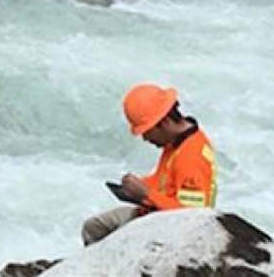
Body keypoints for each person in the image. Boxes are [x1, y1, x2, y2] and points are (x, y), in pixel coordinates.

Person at [81, 83, 218, 246]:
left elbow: (191, 215)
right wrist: (138, 186)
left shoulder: (191, 156)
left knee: (98, 231)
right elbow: (166, 182)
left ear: (164, 122)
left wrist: (146, 194)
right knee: (93, 227)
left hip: (166, 228)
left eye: (147, 131)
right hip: (154, 212)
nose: (145, 138)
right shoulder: (177, 143)